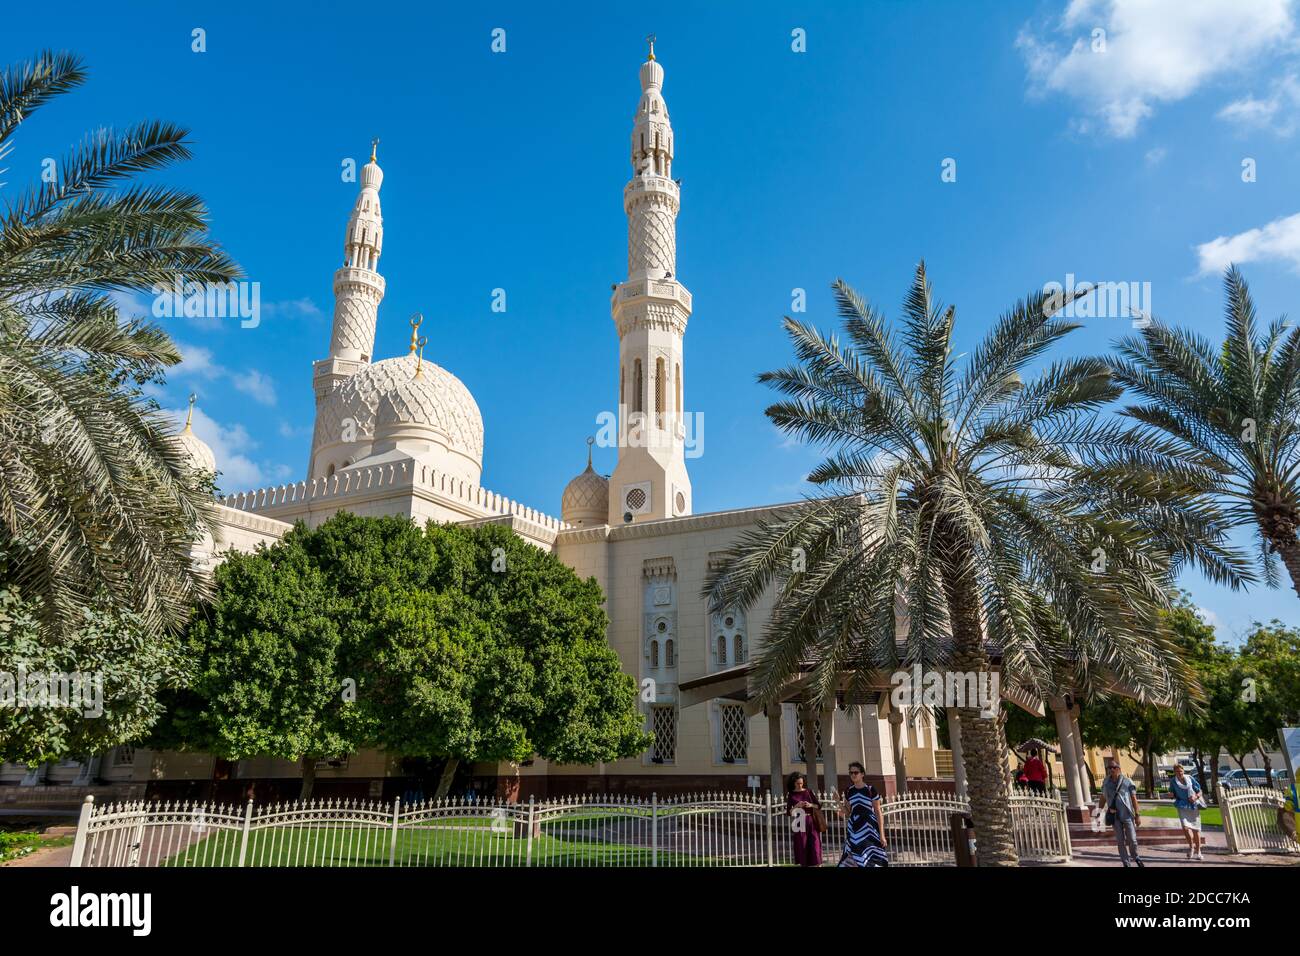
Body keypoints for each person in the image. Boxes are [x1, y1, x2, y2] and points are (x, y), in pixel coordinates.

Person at [836, 762, 888, 867]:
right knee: (853, 853)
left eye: (856, 772)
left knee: (870, 853)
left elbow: (878, 811)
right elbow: (847, 812)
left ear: (862, 774)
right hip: (854, 827)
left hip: (869, 827)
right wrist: (837, 801)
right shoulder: (849, 791)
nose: (853, 775)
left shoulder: (870, 789)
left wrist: (882, 835)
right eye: (851, 773)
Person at [1098, 760, 1143, 867]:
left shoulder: (1128, 781)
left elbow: (1134, 799)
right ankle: (1126, 863)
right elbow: (1103, 798)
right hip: (1114, 817)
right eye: (1109, 768)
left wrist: (1137, 815)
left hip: (1127, 815)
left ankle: (1135, 856)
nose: (1111, 770)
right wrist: (1099, 812)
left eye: (1113, 767)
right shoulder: (1106, 783)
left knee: (1132, 839)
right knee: (1120, 841)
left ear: (1119, 768)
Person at [786, 772, 823, 866]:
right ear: (794, 783)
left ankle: (818, 864)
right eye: (798, 783)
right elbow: (789, 812)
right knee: (802, 846)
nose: (800, 785)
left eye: (801, 783)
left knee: (815, 845)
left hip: (811, 821)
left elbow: (818, 806)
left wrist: (810, 804)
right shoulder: (791, 794)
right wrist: (796, 806)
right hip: (799, 822)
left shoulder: (808, 792)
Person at [1170, 764, 1205, 860]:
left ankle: (1198, 851)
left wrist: (1195, 797)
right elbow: (1172, 793)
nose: (1179, 773)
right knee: (1185, 828)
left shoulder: (1190, 778)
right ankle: (1191, 848)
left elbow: (1200, 791)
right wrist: (1171, 794)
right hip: (1182, 806)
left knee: (1196, 829)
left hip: (1193, 805)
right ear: (1174, 772)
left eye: (1180, 771)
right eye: (1177, 771)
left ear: (1183, 771)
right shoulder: (1173, 781)